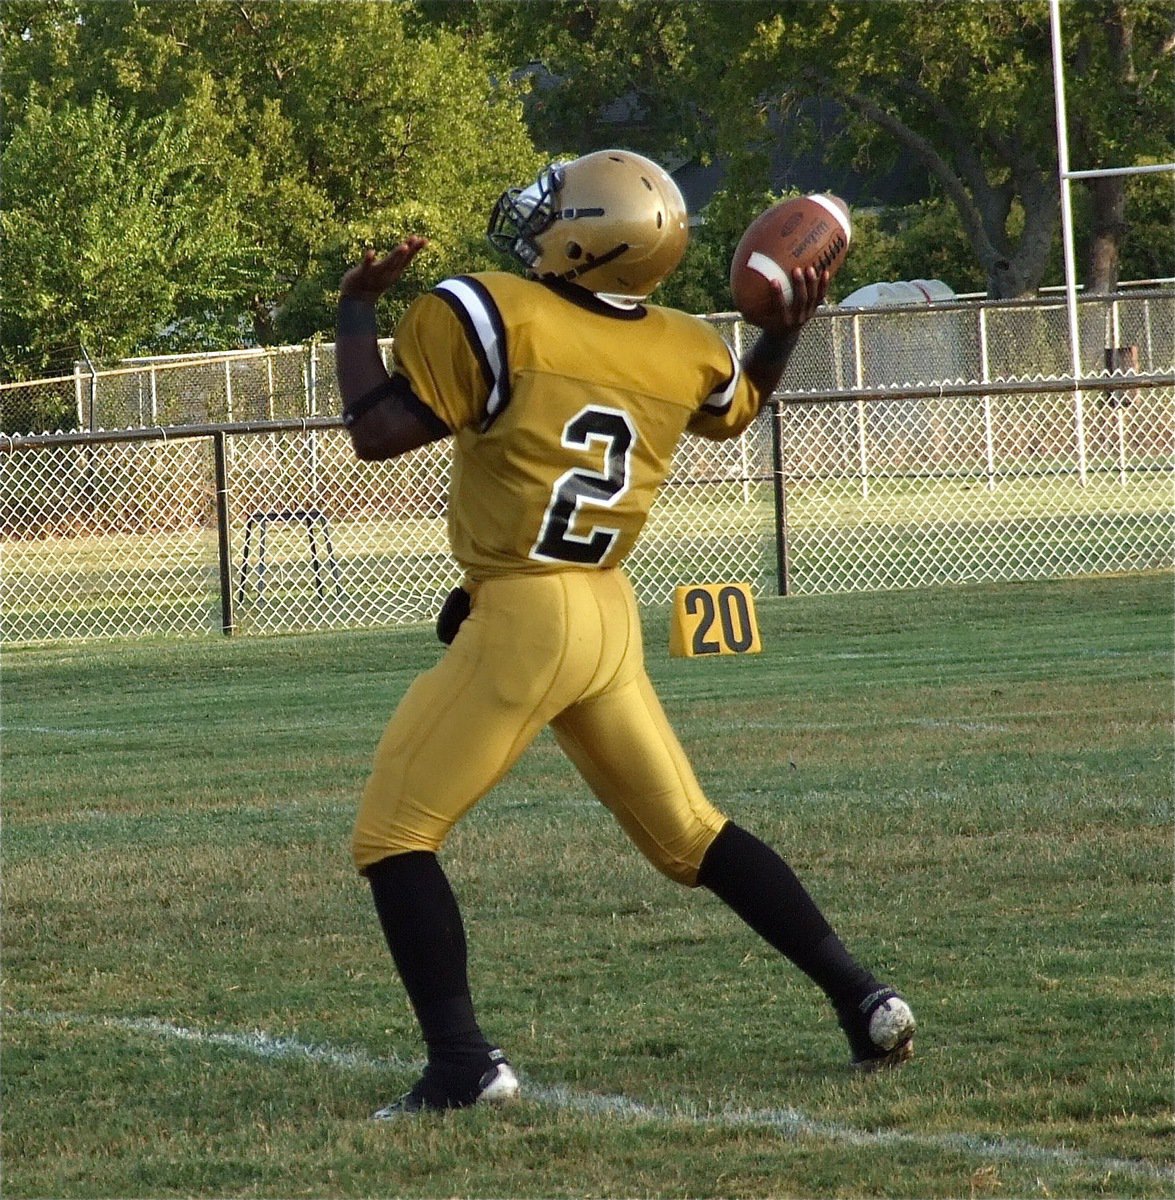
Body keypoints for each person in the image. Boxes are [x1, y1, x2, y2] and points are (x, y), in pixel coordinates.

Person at [335, 150, 915, 1118]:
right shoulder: (681, 347)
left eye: (553, 207)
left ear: (587, 234)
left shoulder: (496, 311)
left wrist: (356, 307)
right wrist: (779, 334)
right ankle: (863, 999)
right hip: (602, 613)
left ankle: (461, 1065)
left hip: (527, 614)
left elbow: (374, 432)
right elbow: (737, 410)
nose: (534, 218)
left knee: (393, 836)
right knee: (691, 834)